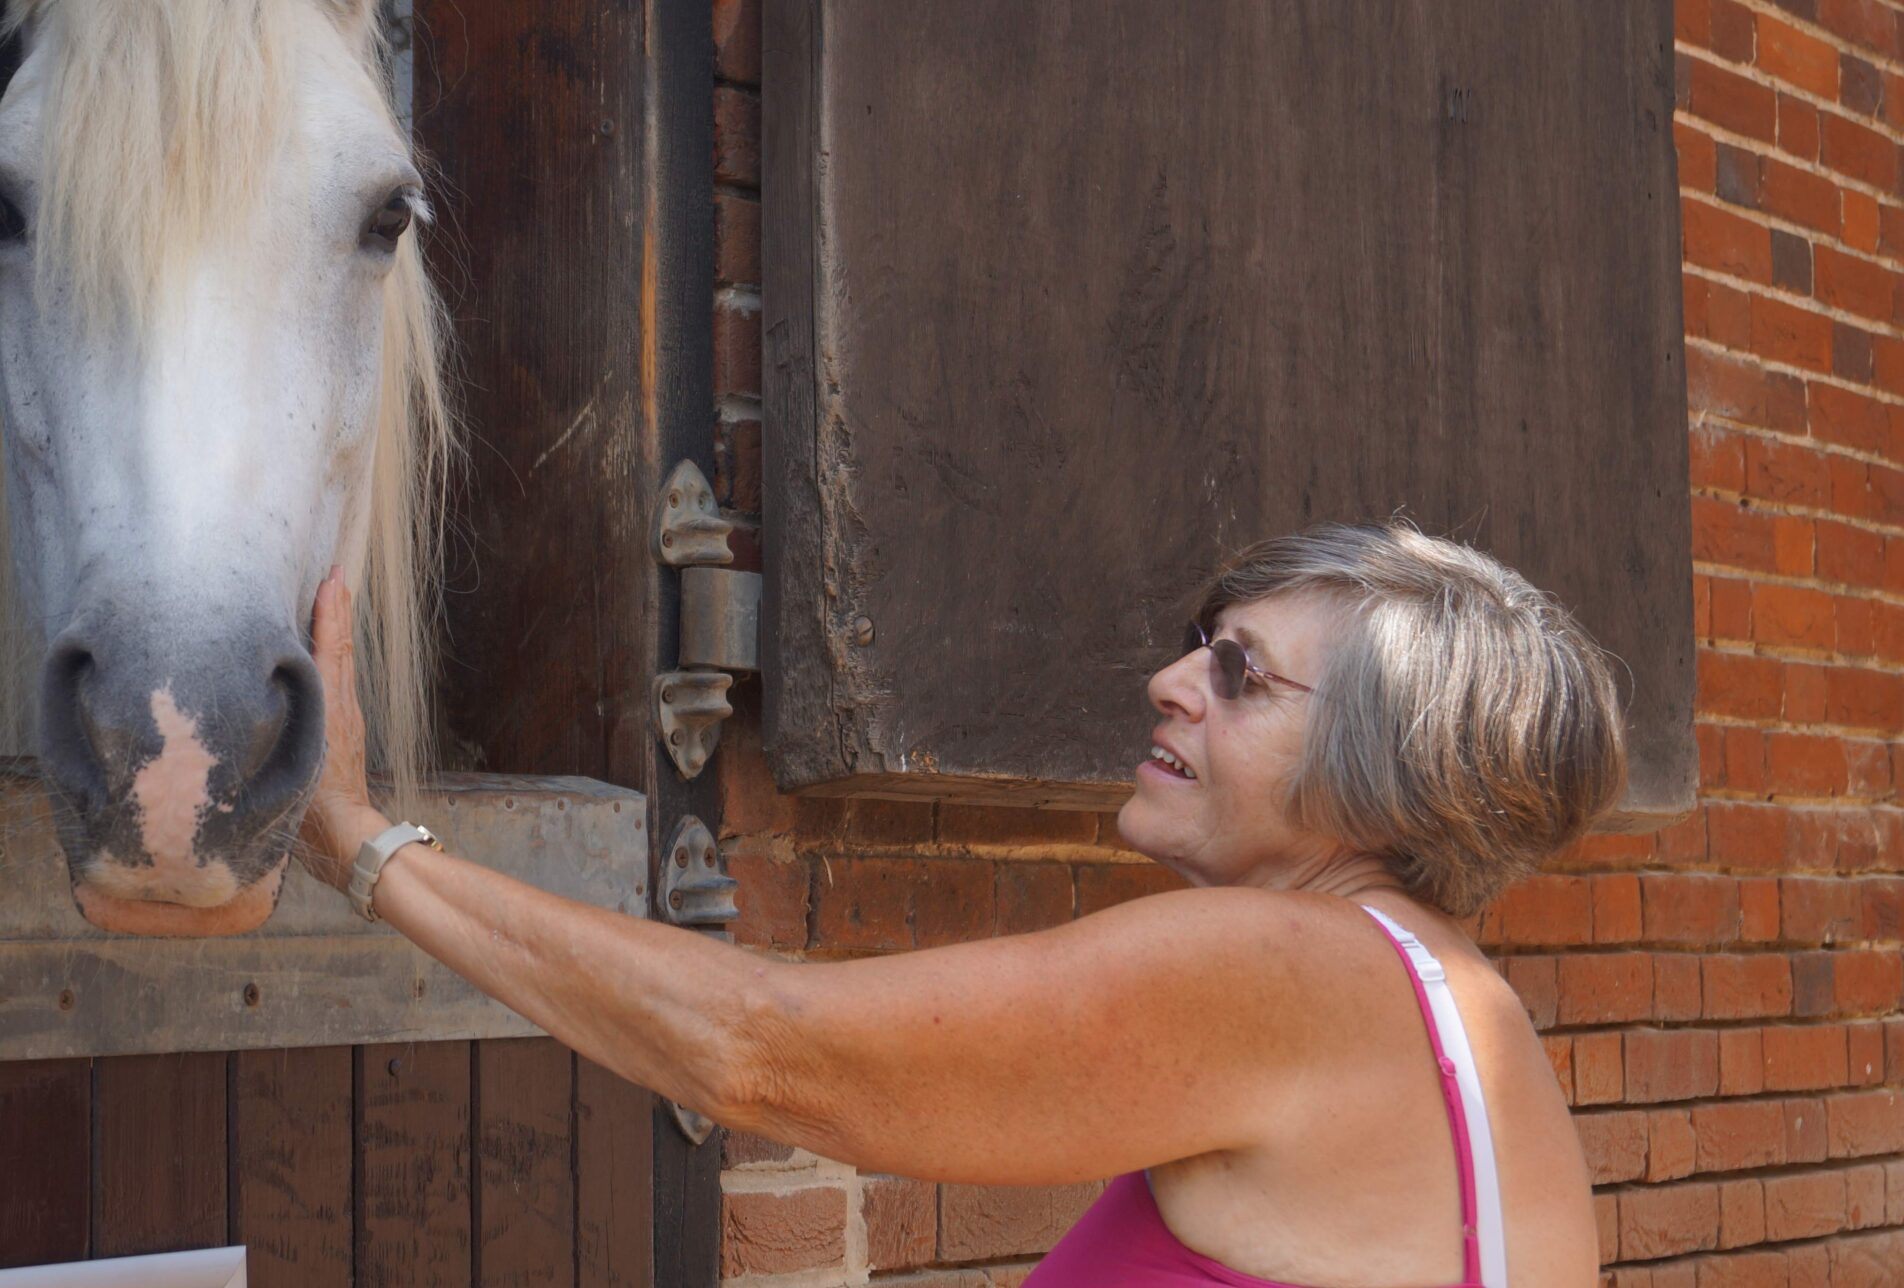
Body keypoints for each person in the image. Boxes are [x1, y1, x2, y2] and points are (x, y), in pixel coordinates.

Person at [300, 521, 1623, 1287]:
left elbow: (761, 1047)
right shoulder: (1459, 1010)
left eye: (1238, 672)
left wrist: (365, 848)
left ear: (1389, 778)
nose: (1169, 680)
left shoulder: (1294, 966)